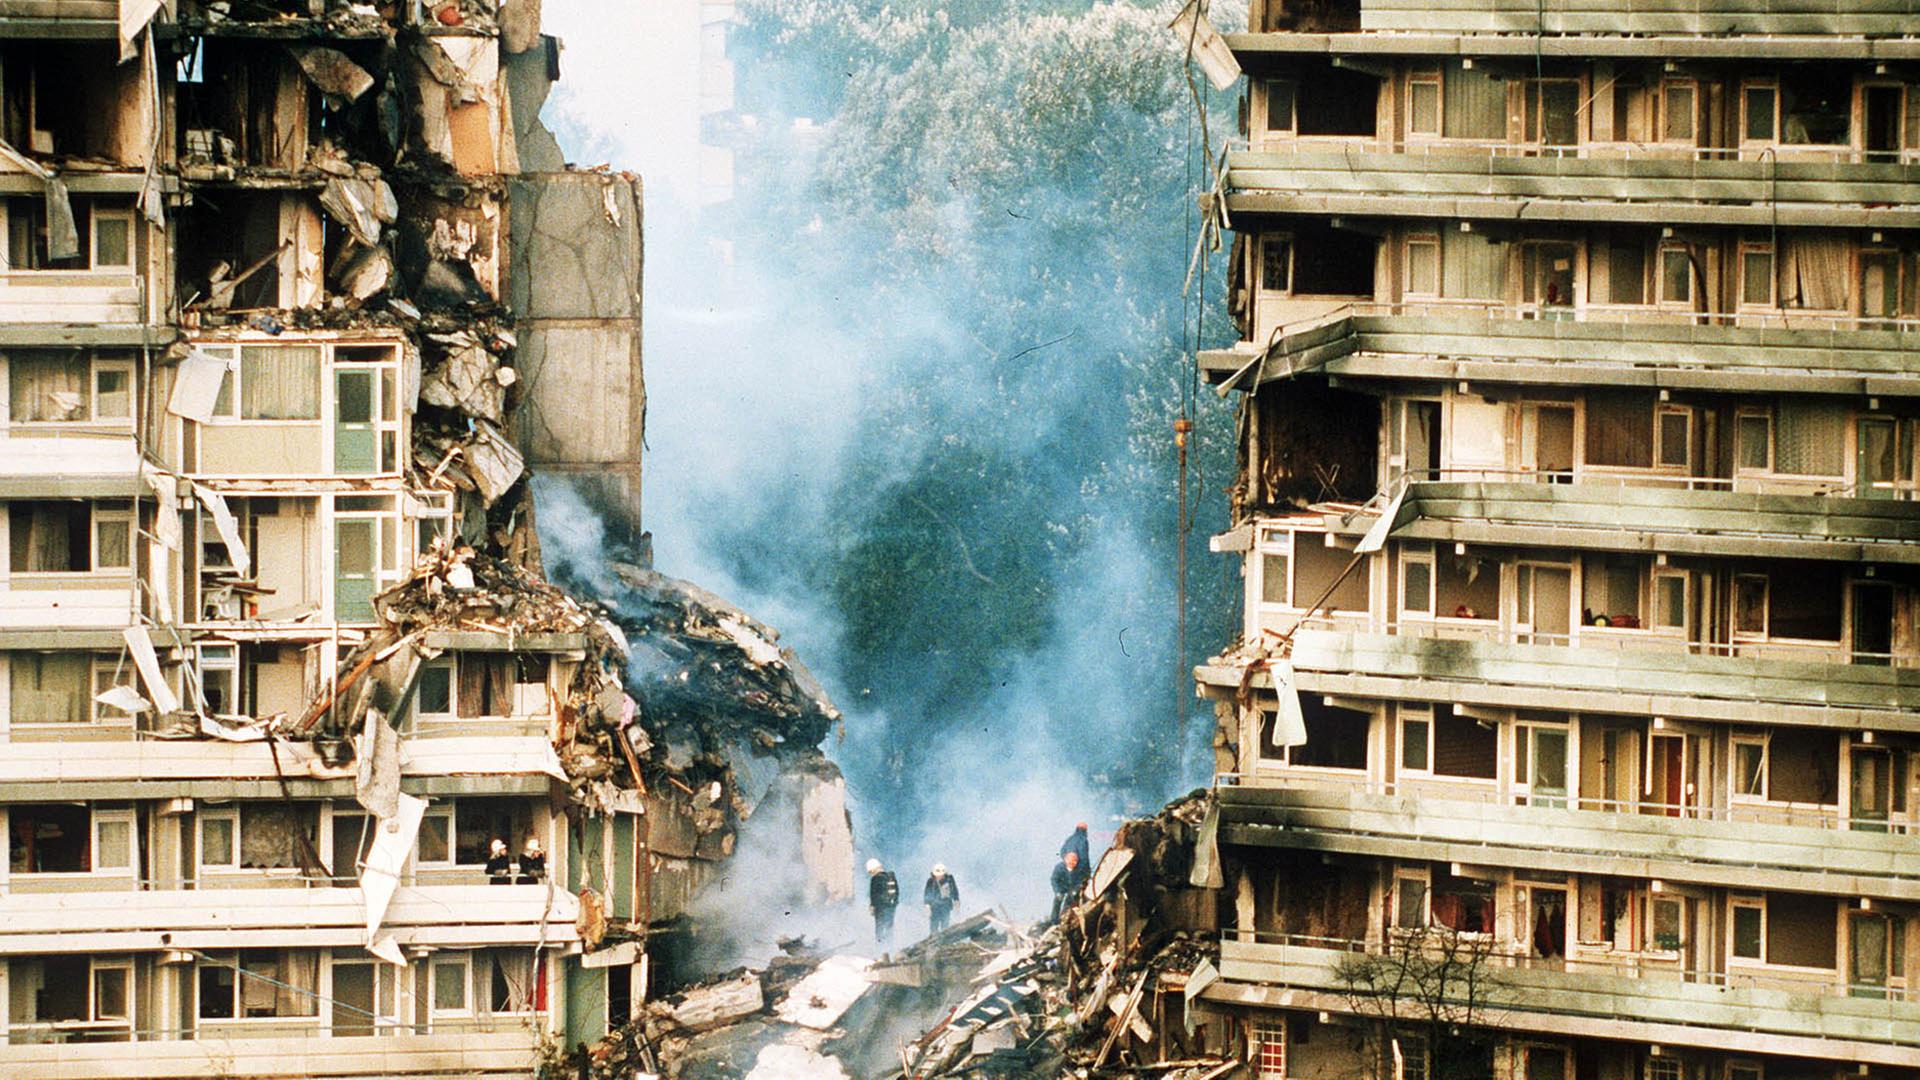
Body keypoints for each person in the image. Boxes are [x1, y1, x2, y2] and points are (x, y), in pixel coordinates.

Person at [867, 858, 900, 947]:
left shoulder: (875, 879)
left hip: (880, 908)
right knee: (889, 927)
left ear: (873, 869)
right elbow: (897, 892)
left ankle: (879, 949)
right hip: (891, 907)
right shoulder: (890, 877)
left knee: (880, 929)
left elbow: (873, 894)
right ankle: (889, 948)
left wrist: (872, 906)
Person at [923, 863, 960, 935]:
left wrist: (956, 901)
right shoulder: (930, 881)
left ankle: (944, 941)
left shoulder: (949, 880)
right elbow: (926, 893)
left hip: (946, 906)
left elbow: (954, 891)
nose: (939, 876)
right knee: (934, 927)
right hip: (934, 907)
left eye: (941, 874)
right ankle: (933, 941)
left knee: (945, 926)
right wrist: (927, 905)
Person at [1050, 850, 1085, 922]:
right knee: (1057, 900)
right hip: (1061, 887)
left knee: (1071, 899)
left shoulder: (1079, 869)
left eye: (1075, 861)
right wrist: (1057, 891)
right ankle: (1054, 920)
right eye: (1070, 860)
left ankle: (1065, 916)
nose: (1072, 863)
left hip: (1072, 888)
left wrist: (1077, 889)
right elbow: (1054, 880)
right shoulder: (1059, 867)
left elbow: (1081, 880)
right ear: (1065, 859)